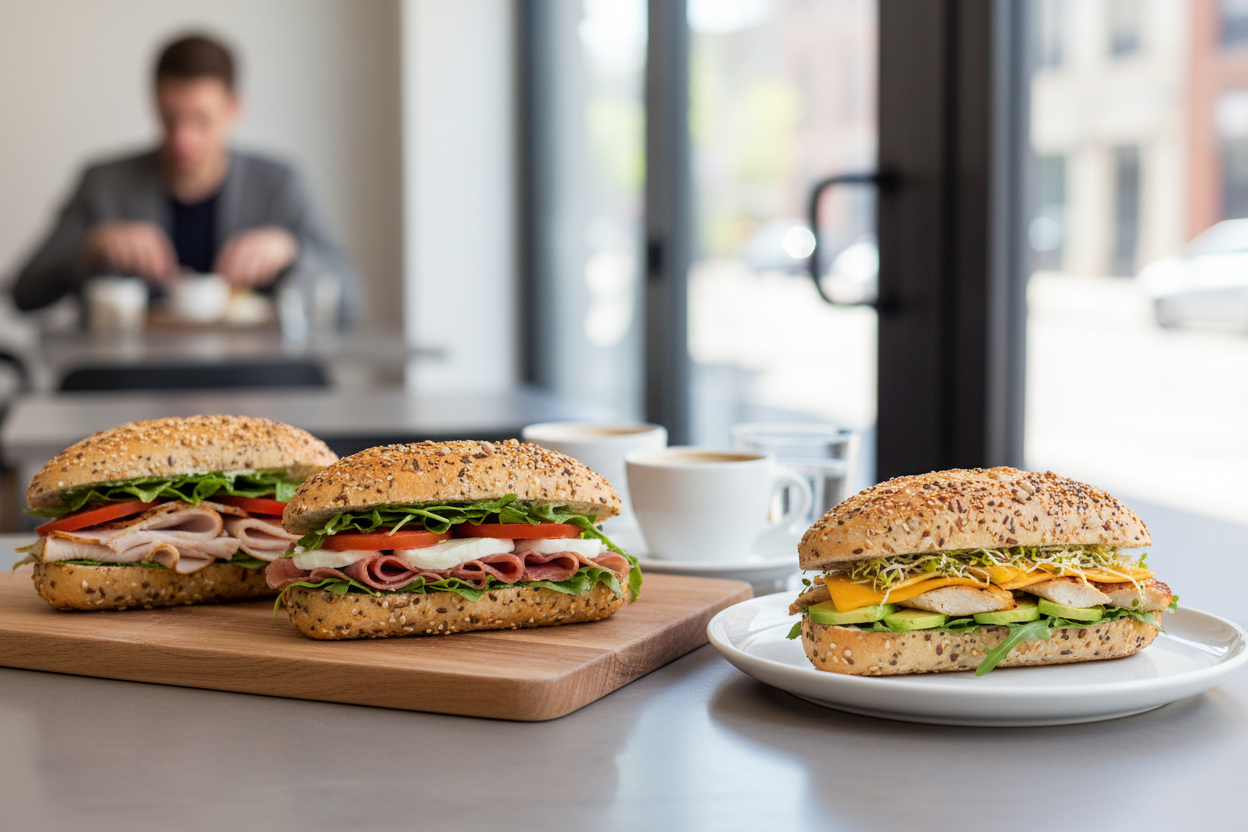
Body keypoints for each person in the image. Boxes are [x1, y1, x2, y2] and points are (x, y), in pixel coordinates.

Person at [9, 33, 361, 323]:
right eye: (170, 118)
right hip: (130, 375)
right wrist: (92, 248)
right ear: (154, 102)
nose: (183, 140)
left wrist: (292, 252)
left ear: (233, 109)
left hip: (258, 376)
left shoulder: (279, 184)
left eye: (201, 120)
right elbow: (23, 294)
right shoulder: (104, 184)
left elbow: (354, 304)